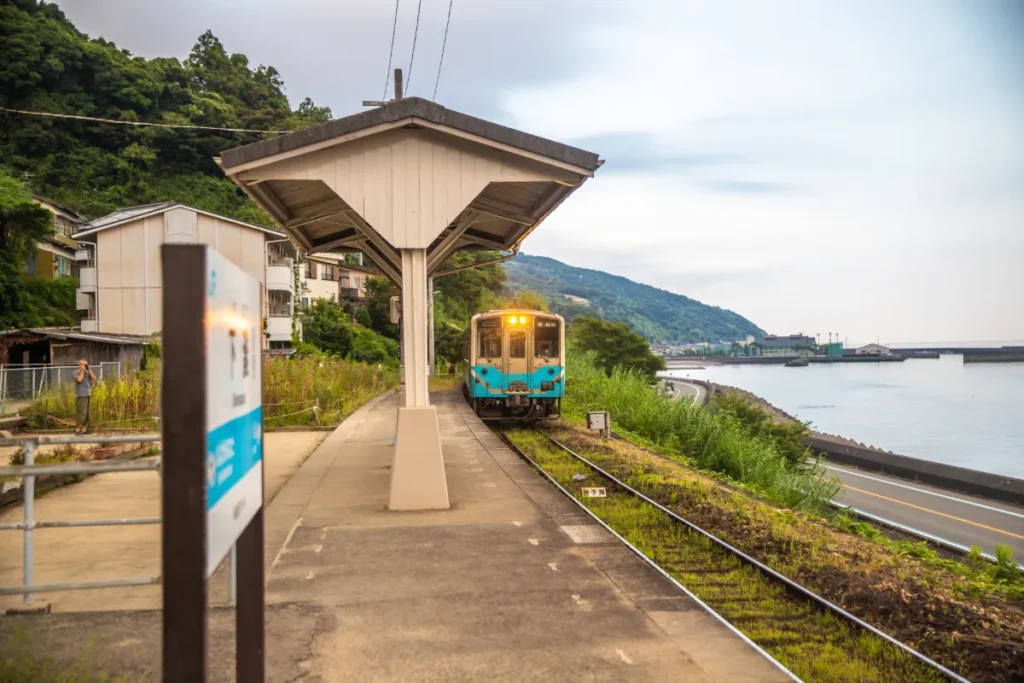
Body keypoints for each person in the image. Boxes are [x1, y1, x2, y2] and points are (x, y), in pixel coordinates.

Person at [74, 359, 97, 435]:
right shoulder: (75, 372)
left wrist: (88, 369)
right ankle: (78, 429)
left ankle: (84, 429)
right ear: (80, 365)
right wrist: (82, 371)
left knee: (88, 413)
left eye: (86, 365)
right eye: (84, 365)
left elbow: (94, 378)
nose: (85, 366)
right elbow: (79, 379)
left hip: (88, 394)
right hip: (81, 395)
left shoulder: (88, 372)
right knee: (81, 412)